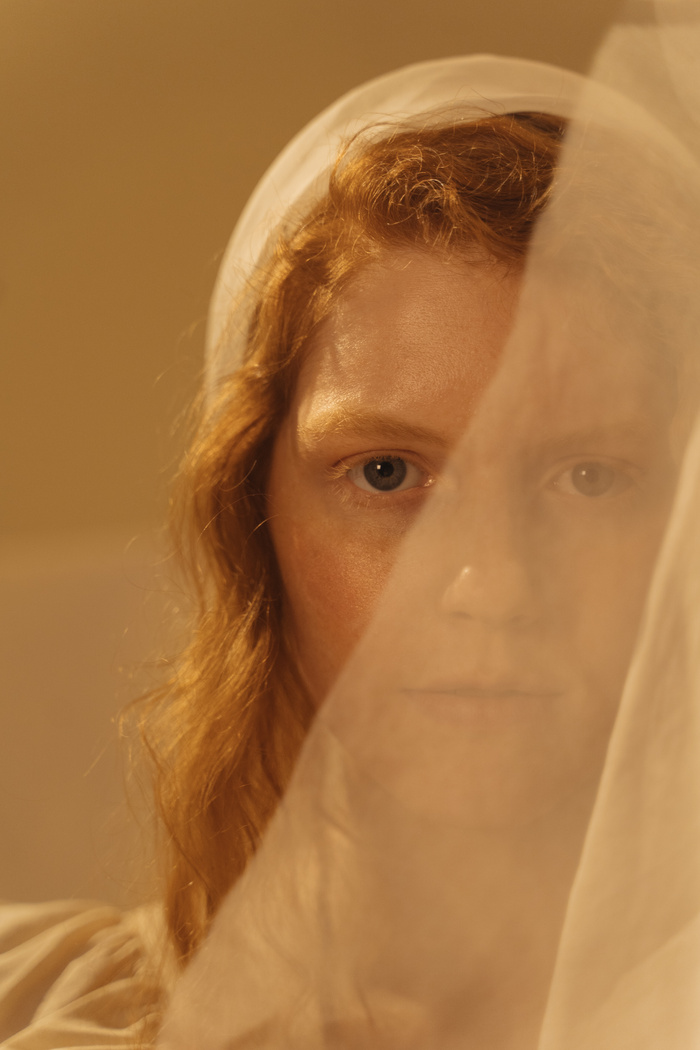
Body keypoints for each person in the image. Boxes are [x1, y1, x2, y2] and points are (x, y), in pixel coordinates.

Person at [3, 5, 700, 1049]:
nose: (490, 583)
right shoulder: (40, 1005)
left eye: (587, 475)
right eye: (385, 472)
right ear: (255, 520)